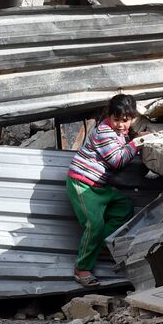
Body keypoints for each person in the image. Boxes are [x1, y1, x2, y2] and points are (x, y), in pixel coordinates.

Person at [65, 93, 146, 289]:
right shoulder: (104, 132)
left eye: (125, 121)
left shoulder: (119, 132)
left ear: (132, 118)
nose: (120, 125)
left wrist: (131, 139)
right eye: (116, 119)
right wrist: (135, 144)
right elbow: (117, 160)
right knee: (94, 224)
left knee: (124, 207)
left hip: (99, 186)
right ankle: (81, 268)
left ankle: (99, 246)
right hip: (82, 184)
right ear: (108, 116)